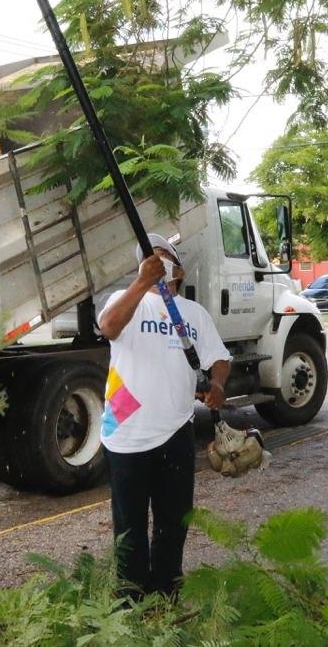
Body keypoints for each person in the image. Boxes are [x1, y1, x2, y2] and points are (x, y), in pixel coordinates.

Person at [97, 233, 231, 597]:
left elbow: (218, 358)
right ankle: (130, 598)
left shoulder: (193, 314)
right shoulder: (124, 302)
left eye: (161, 256)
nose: (154, 260)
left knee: (174, 521)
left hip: (175, 430)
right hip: (126, 431)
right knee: (129, 524)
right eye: (146, 258)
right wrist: (142, 281)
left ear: (177, 268)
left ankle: (167, 591)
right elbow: (108, 327)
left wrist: (217, 384)